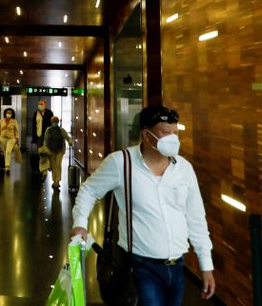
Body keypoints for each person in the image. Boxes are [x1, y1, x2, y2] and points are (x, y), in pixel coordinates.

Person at [70, 105, 215, 305]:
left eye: (175, 133)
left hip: (177, 267)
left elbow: (196, 218)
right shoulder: (121, 162)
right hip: (139, 266)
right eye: (165, 133)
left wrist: (206, 265)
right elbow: (89, 190)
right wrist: (80, 223)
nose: (173, 139)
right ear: (147, 136)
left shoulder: (184, 169)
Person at [41, 115, 72, 190]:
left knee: (58, 165)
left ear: (58, 122)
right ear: (51, 122)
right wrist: (45, 148)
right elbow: (45, 140)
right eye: (53, 122)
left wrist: (70, 141)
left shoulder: (61, 130)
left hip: (60, 150)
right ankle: (54, 180)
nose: (55, 123)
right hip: (51, 150)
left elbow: (67, 137)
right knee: (53, 166)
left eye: (56, 122)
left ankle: (57, 181)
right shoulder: (48, 130)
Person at [0, 107, 19, 175]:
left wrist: (17, 139)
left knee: (8, 151)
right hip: (2, 138)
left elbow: (16, 131)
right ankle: (7, 166)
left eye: (10, 113)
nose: (8, 114)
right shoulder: (2, 120)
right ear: (5, 113)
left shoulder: (14, 121)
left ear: (12, 114)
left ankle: (7, 167)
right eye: (7, 112)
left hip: (11, 138)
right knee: (5, 153)